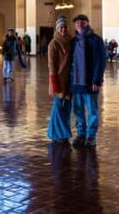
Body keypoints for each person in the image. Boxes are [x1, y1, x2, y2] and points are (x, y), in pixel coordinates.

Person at [69, 14, 107, 149]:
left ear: (87, 23)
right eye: (77, 22)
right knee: (78, 110)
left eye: (82, 22)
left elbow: (100, 61)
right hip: (76, 83)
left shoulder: (96, 40)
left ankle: (91, 136)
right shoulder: (73, 41)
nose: (79, 24)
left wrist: (97, 80)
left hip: (90, 82)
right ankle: (81, 134)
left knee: (92, 110)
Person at [46, 15, 72, 143]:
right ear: (57, 28)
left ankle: (61, 133)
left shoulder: (71, 41)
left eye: (65, 27)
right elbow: (51, 64)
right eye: (61, 27)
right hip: (59, 79)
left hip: (69, 79)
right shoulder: (53, 44)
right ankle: (56, 134)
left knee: (67, 107)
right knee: (58, 106)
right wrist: (54, 81)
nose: (63, 29)